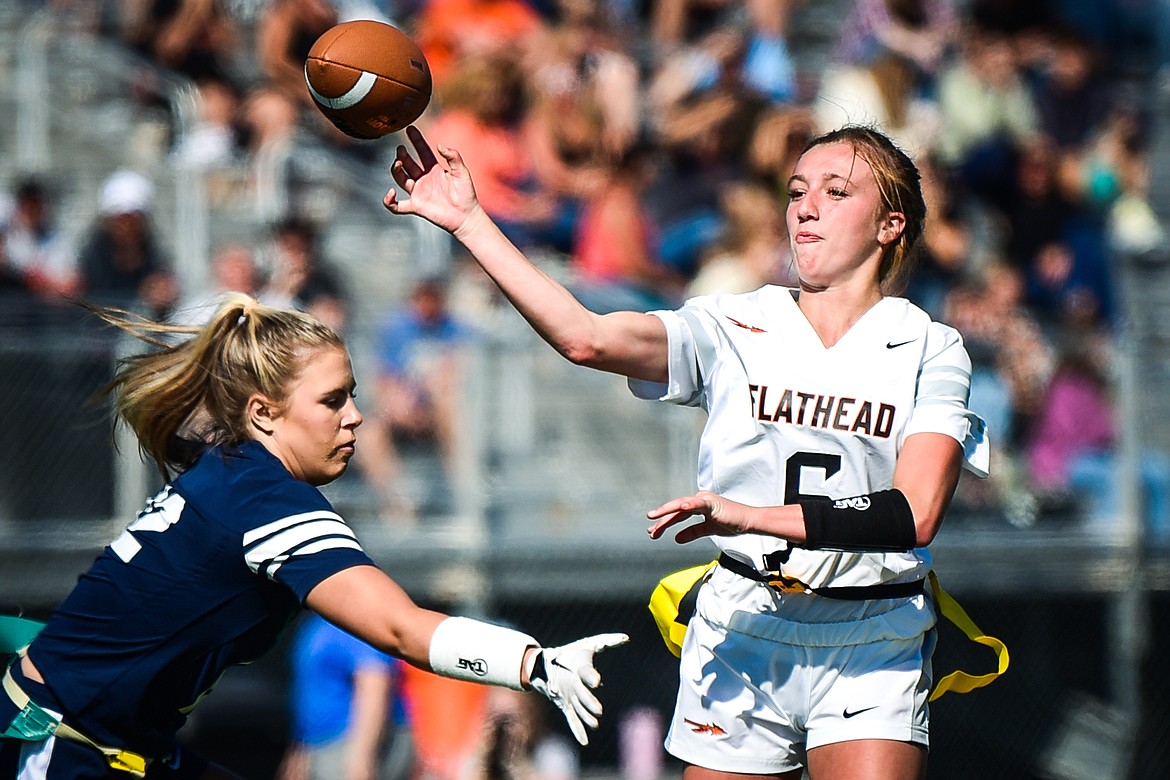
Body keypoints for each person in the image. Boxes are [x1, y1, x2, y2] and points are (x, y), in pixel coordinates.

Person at [384, 123, 989, 779]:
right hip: (744, 622)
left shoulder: (930, 346)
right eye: (795, 191)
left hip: (871, 629)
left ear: (889, 224)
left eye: (836, 191)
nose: (805, 207)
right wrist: (470, 221)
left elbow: (912, 513)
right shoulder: (733, 323)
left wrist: (751, 516)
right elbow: (584, 337)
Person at [0, 293, 628, 780]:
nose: (355, 415)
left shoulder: (234, 474)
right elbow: (401, 629)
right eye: (332, 401)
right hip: (61, 745)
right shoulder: (262, 497)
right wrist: (533, 663)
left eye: (353, 394)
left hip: (101, 737)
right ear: (263, 414)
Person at [276, 613, 412, 780]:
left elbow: (374, 687)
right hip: (320, 744)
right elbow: (310, 690)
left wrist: (362, 759)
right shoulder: (316, 622)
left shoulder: (356, 621)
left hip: (350, 743)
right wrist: (299, 751)